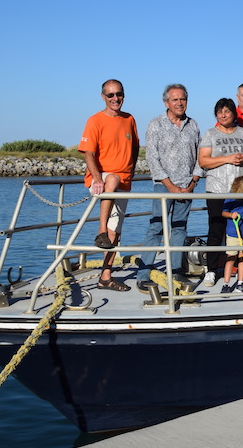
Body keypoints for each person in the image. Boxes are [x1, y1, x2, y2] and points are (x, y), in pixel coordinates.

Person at [137, 84, 203, 293]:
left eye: (182, 99)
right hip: (164, 187)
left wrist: (193, 182)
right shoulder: (156, 124)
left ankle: (175, 271)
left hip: (187, 187)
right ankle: (143, 274)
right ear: (166, 102)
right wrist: (170, 186)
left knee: (180, 228)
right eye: (175, 100)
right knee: (156, 228)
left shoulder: (193, 125)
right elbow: (152, 159)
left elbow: (200, 156)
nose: (179, 103)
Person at [79, 79, 139, 292]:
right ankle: (101, 230)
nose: (116, 99)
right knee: (111, 179)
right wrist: (97, 179)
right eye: (111, 95)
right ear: (103, 97)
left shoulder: (129, 119)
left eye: (119, 94)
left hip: (124, 181)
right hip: (101, 179)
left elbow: (134, 148)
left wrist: (131, 170)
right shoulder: (95, 120)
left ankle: (106, 276)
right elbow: (89, 153)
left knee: (117, 232)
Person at [199, 98, 243, 288]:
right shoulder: (210, 134)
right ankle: (211, 269)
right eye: (219, 112)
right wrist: (226, 158)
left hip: (240, 191)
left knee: (241, 230)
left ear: (234, 113)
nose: (223, 115)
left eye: (227, 111)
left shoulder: (242, 132)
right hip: (216, 189)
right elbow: (203, 161)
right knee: (216, 230)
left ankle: (242, 272)